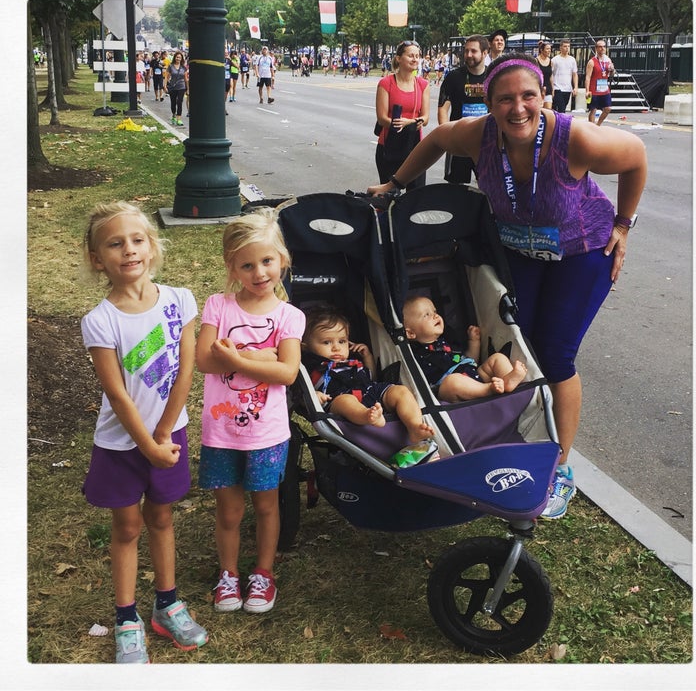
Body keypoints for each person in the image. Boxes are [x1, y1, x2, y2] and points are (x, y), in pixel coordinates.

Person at [367, 52, 647, 520]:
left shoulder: (574, 138)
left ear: (544, 97)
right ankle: (520, 439)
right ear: (490, 103)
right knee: (525, 348)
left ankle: (559, 468)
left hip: (581, 253)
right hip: (521, 250)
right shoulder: (479, 135)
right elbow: (435, 138)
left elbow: (636, 158)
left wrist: (623, 223)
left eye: (528, 97)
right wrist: (394, 183)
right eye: (505, 99)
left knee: (556, 358)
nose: (518, 108)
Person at [80, 202, 208, 663]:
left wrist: (163, 434)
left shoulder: (181, 300)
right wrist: (146, 444)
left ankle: (167, 604)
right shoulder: (100, 321)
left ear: (152, 246)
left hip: (168, 436)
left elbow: (187, 370)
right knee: (128, 525)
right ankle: (127, 618)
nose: (128, 250)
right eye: (115, 244)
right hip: (121, 444)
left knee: (161, 518)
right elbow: (117, 396)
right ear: (98, 259)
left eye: (136, 240)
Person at [196, 207, 305, 615]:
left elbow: (288, 371)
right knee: (229, 508)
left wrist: (239, 358)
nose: (259, 272)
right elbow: (205, 360)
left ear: (283, 260)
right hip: (221, 431)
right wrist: (261, 355)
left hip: (267, 434)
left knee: (265, 505)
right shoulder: (218, 306)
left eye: (267, 261)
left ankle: (263, 572)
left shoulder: (289, 315)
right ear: (232, 267)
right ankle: (228, 574)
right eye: (247, 264)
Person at [301, 305, 434, 443]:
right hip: (337, 398)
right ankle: (367, 416)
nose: (336, 347)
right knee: (346, 401)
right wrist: (313, 396)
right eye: (326, 342)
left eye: (342, 341)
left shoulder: (352, 362)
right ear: (305, 347)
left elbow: (371, 377)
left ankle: (414, 426)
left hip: (370, 391)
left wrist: (368, 357)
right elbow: (300, 394)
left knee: (400, 391)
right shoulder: (311, 367)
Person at [402, 296, 527, 402]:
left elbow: (468, 359)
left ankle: (509, 380)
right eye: (426, 315)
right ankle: (490, 389)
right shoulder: (414, 354)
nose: (435, 316)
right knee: (452, 382)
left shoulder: (446, 341)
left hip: (476, 376)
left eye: (434, 311)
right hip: (449, 389)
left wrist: (474, 342)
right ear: (411, 333)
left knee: (497, 358)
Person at [374, 40, 430, 191]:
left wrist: (412, 122)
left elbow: (425, 118)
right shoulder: (386, 83)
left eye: (417, 56)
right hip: (390, 146)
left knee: (415, 196)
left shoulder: (422, 85)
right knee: (389, 194)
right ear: (399, 58)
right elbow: (382, 118)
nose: (415, 59)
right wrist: (401, 124)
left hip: (415, 148)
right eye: (410, 55)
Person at [437, 34, 490, 184]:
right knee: (456, 189)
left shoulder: (493, 77)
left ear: (485, 53)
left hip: (486, 143)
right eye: (466, 51)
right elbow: (442, 109)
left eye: (473, 51)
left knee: (489, 188)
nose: (468, 55)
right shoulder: (454, 77)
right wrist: (447, 135)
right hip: (459, 141)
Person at [585, 39, 615, 125]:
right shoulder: (592, 61)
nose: (602, 48)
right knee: (593, 109)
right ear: (596, 49)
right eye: (600, 47)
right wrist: (587, 90)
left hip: (604, 88)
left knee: (608, 108)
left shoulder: (608, 60)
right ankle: (592, 127)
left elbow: (612, 74)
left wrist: (612, 70)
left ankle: (598, 125)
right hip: (594, 89)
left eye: (604, 46)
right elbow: (588, 77)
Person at [550, 38, 578, 113]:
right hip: (557, 87)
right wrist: (552, 87)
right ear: (561, 47)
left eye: (568, 46)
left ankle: (556, 122)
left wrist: (575, 87)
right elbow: (551, 74)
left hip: (568, 88)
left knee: (563, 107)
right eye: (565, 46)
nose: (567, 48)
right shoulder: (555, 60)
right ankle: (560, 124)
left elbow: (574, 74)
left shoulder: (572, 60)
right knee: (561, 108)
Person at [164, 51, 188, 126]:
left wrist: (188, 88)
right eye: (177, 57)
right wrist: (164, 85)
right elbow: (166, 77)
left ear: (181, 59)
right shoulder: (170, 66)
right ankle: (174, 115)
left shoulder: (183, 67)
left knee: (180, 102)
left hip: (181, 86)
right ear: (175, 58)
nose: (178, 59)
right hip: (172, 86)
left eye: (180, 57)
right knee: (173, 102)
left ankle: (179, 119)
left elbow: (186, 78)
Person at [537, 41, 553, 109]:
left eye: (550, 49)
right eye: (547, 49)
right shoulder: (536, 61)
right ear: (541, 50)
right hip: (539, 88)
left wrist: (553, 89)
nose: (549, 50)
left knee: (548, 110)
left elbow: (551, 76)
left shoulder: (551, 61)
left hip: (548, 88)